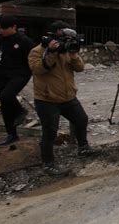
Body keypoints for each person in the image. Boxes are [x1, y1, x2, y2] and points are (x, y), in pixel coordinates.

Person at [28, 21, 98, 177]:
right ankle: (48, 164)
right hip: (47, 99)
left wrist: (73, 55)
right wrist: (52, 52)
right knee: (49, 132)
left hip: (68, 97)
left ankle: (83, 147)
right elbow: (38, 69)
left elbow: (79, 68)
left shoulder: (66, 50)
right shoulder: (36, 51)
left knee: (81, 119)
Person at [0, 15, 34, 145]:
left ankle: (20, 111)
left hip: (19, 74)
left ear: (14, 27)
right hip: (1, 75)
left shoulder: (24, 41)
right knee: (6, 106)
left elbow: (33, 58)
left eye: (4, 28)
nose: (1, 30)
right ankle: (11, 134)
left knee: (6, 96)